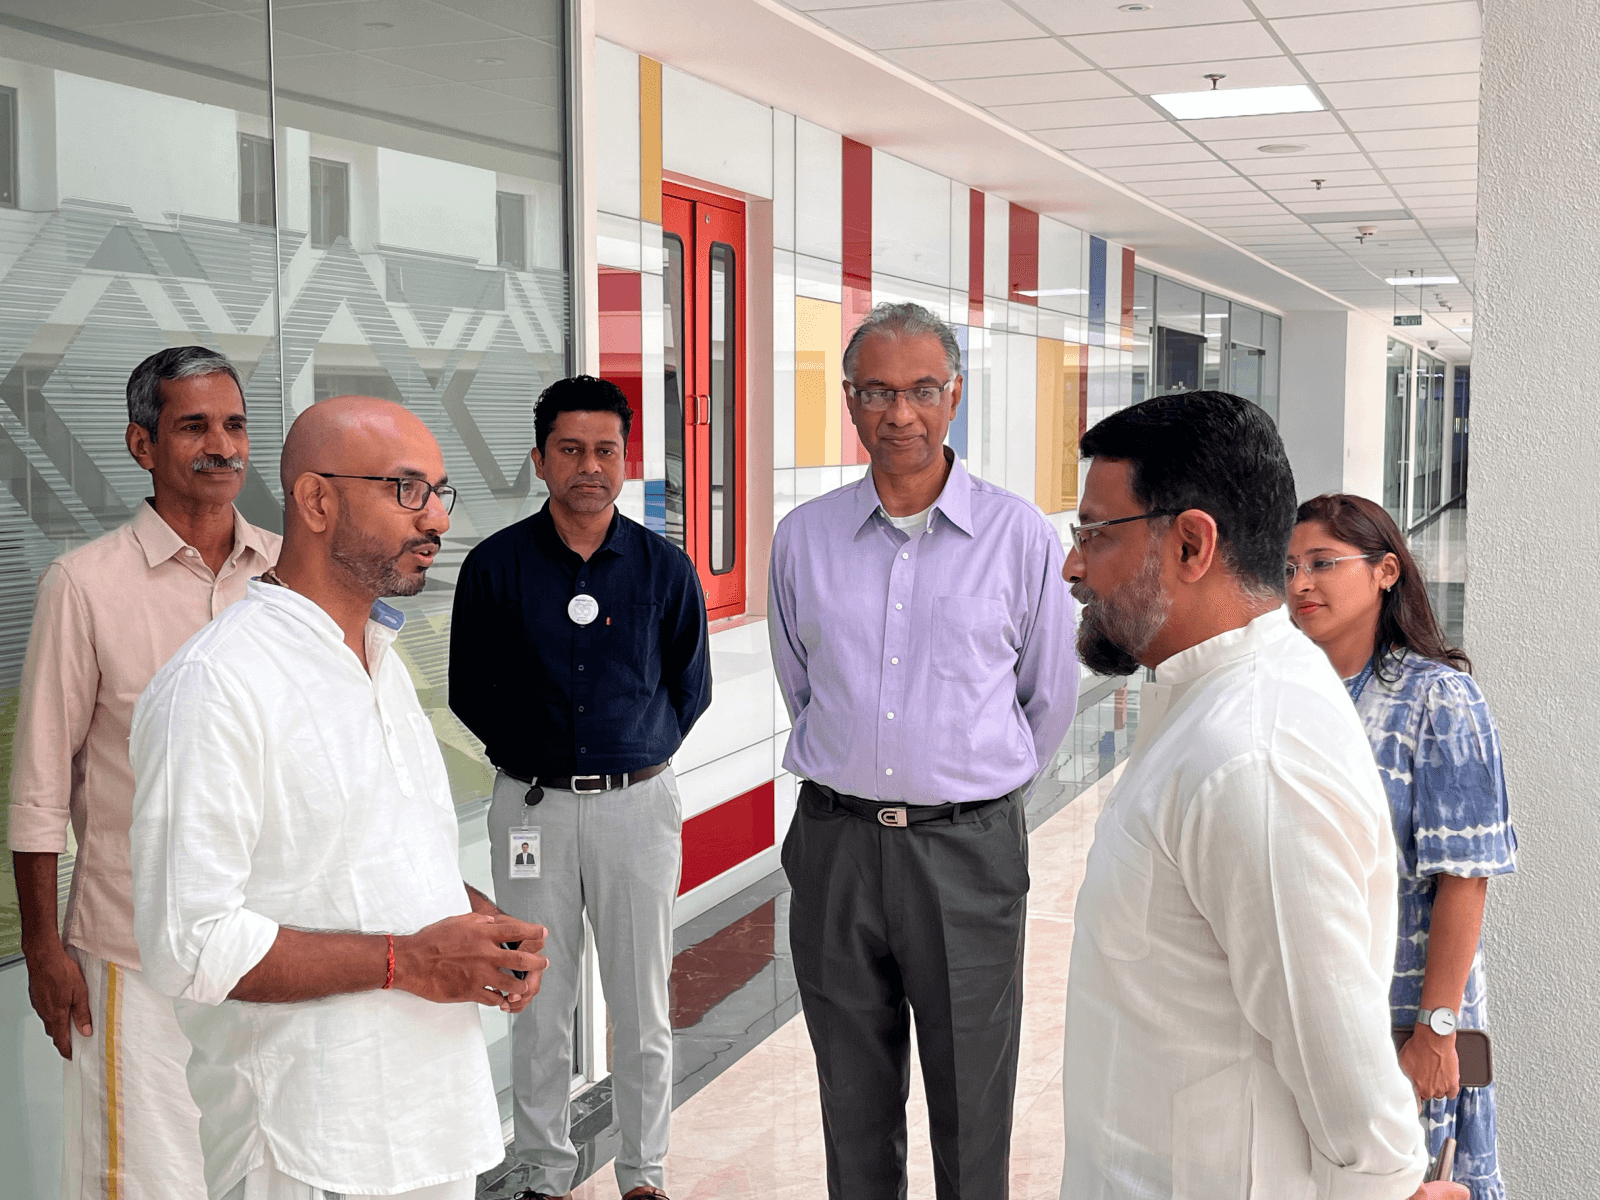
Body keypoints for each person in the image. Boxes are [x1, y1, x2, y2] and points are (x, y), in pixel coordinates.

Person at [129, 396, 548, 1200]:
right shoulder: (217, 685)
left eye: (439, 493)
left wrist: (475, 926)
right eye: (406, 490)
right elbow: (191, 941)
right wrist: (411, 961)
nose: (436, 521)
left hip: (428, 1126)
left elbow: (367, 857)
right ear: (317, 502)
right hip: (308, 1144)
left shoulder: (381, 661)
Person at [1059, 390, 1463, 1200]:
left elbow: (1342, 1065)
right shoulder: (1206, 698)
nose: (1072, 566)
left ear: (1192, 543)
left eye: (1095, 533)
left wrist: (1390, 1186)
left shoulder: (1251, 756)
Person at [769, 302, 1077, 1199]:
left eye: (921, 391)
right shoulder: (805, 538)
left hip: (967, 852)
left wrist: (967, 787)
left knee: (972, 1102)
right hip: (835, 847)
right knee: (851, 1100)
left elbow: (1046, 701)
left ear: (954, 398)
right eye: (876, 392)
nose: (898, 413)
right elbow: (804, 685)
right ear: (851, 401)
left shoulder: (1020, 537)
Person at [7, 346, 279, 1200]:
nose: (222, 445)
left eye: (234, 424)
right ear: (141, 445)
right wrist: (44, 947)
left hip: (271, 944)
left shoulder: (286, 577)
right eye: (193, 425)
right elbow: (40, 787)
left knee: (261, 1171)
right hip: (132, 952)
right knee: (141, 1178)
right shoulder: (83, 587)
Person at [449, 375, 710, 1200]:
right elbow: (468, 687)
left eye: (605, 450)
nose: (588, 466)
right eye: (570, 449)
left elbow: (690, 686)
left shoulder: (665, 569)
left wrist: (631, 753)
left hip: (639, 806)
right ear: (539, 459)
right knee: (537, 998)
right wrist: (532, 757)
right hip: (532, 808)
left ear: (625, 462)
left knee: (642, 1004)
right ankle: (542, 1171)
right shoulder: (495, 566)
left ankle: (644, 1172)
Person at [1290, 493, 1515, 1200]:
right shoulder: (1291, 694)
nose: (1300, 584)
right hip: (1312, 1021)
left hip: (1405, 1030)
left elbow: (1466, 878)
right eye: (1289, 566)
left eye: (1322, 564)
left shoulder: (1438, 699)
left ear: (1387, 571)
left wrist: (1437, 1030)